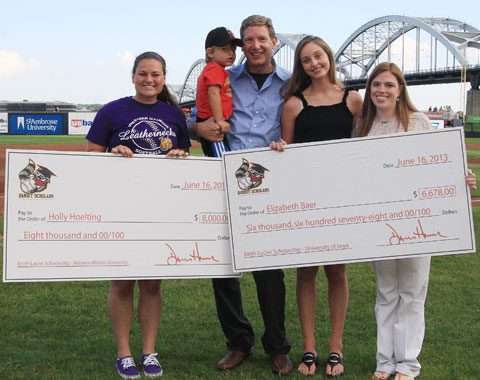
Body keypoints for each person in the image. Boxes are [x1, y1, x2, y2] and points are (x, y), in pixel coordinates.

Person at [355, 62, 476, 380]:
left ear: (400, 90)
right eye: (376, 84)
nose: (381, 90)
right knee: (386, 292)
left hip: (418, 221)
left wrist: (460, 177)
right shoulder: (362, 127)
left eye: (389, 85)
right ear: (370, 90)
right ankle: (385, 361)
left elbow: (439, 165)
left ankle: (408, 363)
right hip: (379, 221)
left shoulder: (419, 122)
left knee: (411, 292)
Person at [190, 15, 293, 375]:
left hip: (266, 186)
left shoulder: (290, 83)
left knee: (269, 271)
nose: (254, 46)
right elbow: (194, 117)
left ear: (274, 41)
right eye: (247, 40)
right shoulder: (222, 75)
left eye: (261, 39)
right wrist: (197, 127)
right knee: (224, 270)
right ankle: (238, 343)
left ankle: (278, 346)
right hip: (223, 181)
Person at [86, 51, 190, 379]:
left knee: (151, 283)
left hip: (159, 210)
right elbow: (90, 157)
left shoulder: (173, 115)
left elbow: (185, 157)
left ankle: (148, 351)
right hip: (120, 208)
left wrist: (178, 154)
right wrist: (114, 154)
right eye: (143, 74)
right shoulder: (112, 111)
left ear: (163, 78)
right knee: (121, 282)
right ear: (133, 76)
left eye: (156, 75)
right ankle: (124, 353)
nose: (149, 80)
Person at [270, 35, 363, 378]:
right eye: (306, 60)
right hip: (305, 201)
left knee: (337, 271)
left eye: (318, 56)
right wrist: (280, 148)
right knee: (306, 272)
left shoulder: (353, 100)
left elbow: (370, 147)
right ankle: (309, 347)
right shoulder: (294, 103)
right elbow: (288, 151)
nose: (314, 63)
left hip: (341, 199)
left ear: (329, 57)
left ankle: (335, 348)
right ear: (301, 66)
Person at [196, 27, 242, 157]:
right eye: (225, 49)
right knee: (222, 161)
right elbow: (213, 94)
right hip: (213, 122)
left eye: (233, 49)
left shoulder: (216, 69)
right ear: (210, 52)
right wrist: (219, 120)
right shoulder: (215, 69)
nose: (231, 53)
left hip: (213, 120)